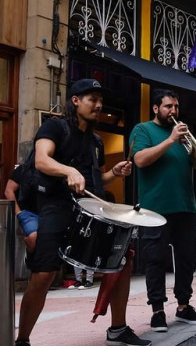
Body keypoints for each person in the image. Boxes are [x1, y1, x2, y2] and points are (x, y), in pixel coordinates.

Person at [14, 78, 146, 346]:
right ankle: (23, 340)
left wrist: (113, 173)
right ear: (75, 101)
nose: (98, 105)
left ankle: (118, 329)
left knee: (122, 261)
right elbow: (42, 159)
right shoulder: (54, 127)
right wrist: (67, 170)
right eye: (92, 100)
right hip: (55, 208)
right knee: (44, 274)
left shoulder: (96, 141)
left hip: (88, 211)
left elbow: (94, 181)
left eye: (100, 101)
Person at [131, 88, 196, 333]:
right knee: (155, 259)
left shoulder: (183, 134)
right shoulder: (143, 130)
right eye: (168, 106)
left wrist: (195, 152)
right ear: (155, 108)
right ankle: (158, 311)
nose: (173, 111)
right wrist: (171, 140)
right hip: (155, 208)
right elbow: (140, 160)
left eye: (176, 106)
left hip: (185, 205)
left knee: (186, 259)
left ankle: (184, 306)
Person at [5, 165, 39, 253]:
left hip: (49, 213)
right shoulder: (23, 169)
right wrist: (19, 213)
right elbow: (8, 191)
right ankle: (30, 256)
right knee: (33, 236)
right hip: (28, 213)